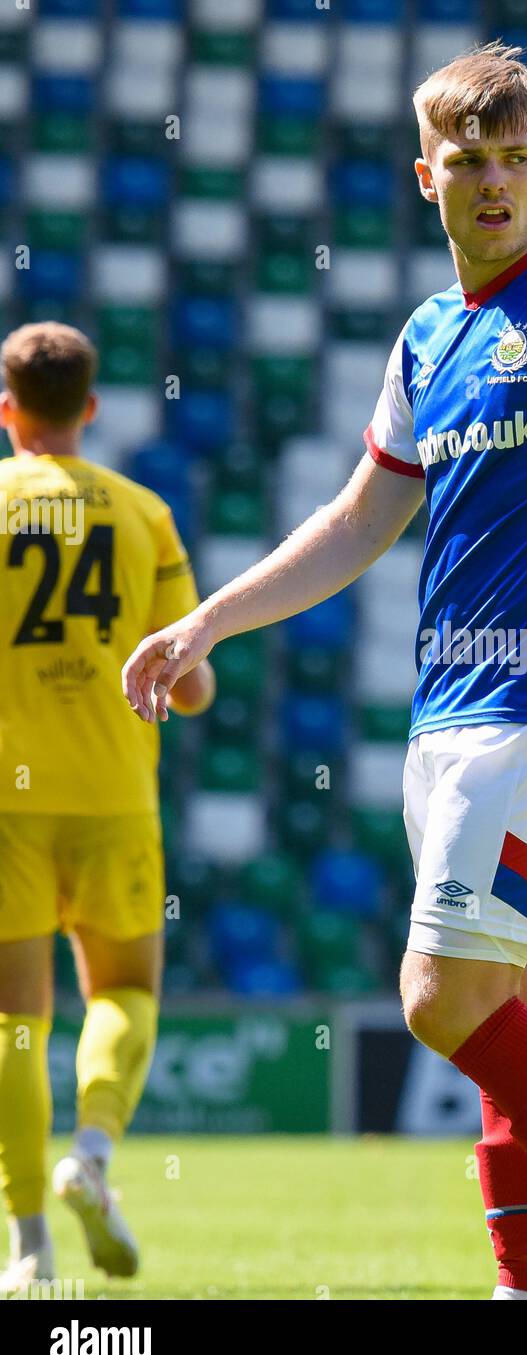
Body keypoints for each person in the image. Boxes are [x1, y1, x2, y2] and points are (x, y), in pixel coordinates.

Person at [122, 42, 527, 1301]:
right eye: (470, 160)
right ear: (426, 176)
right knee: (518, 1025)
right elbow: (357, 520)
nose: (495, 181)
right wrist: (207, 623)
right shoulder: (426, 337)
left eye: (518, 159)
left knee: (435, 996)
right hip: (444, 721)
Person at [0, 322, 215, 1293]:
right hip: (115, 793)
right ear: (90, 408)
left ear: (8, 411)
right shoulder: (143, 513)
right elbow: (194, 684)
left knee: (14, 1024)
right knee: (122, 993)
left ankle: (28, 1250)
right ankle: (90, 1152)